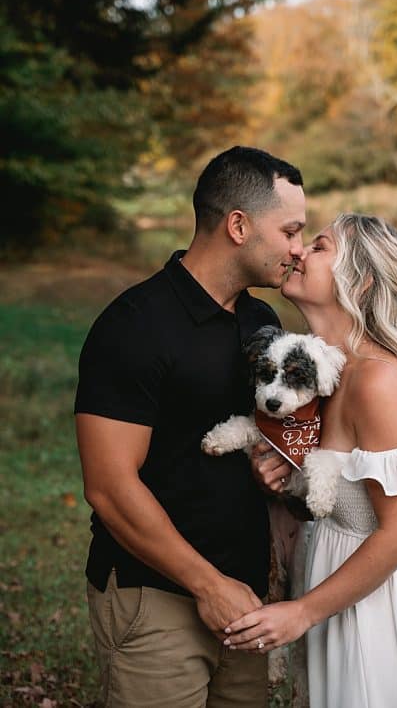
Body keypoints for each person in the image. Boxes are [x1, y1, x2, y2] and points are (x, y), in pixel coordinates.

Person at [75, 146, 307, 706]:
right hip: (155, 596)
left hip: (248, 597)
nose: (299, 251)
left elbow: (272, 434)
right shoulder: (134, 326)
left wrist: (276, 463)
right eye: (291, 231)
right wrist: (206, 584)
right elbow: (109, 486)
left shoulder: (262, 321)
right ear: (237, 225)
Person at [220, 214, 397, 707]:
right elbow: (332, 494)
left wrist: (302, 613)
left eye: (318, 246)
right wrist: (279, 481)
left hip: (382, 609)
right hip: (330, 581)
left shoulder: (378, 381)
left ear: (360, 281)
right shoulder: (313, 374)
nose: (297, 253)